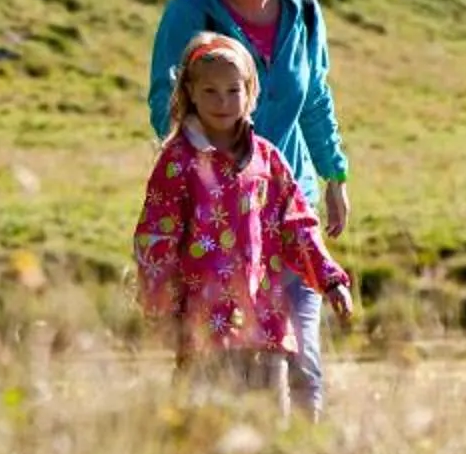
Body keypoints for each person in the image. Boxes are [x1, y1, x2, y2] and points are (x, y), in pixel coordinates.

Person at [147, 0, 352, 415]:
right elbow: (161, 99)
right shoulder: (191, 10)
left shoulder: (304, 12)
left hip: (288, 206)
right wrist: (207, 161)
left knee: (303, 361)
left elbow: (316, 98)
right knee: (218, 366)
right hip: (216, 218)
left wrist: (334, 175)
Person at [132, 32, 353, 402]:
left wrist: (330, 280)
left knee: (269, 429)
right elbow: (155, 241)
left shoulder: (267, 160)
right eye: (210, 91)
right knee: (204, 433)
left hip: (266, 325)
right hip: (202, 329)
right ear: (190, 92)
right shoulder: (177, 163)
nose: (222, 102)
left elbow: (298, 225)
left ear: (250, 92)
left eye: (233, 91)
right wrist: (161, 308)